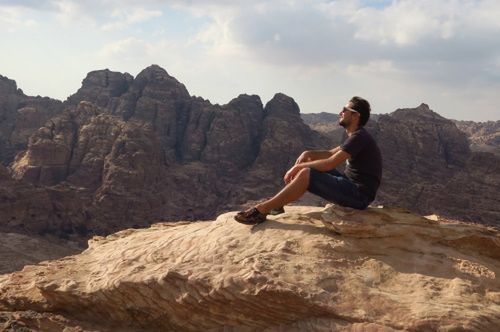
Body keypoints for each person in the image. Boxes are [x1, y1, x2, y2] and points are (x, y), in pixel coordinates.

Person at [235, 96, 382, 224]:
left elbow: (329, 163)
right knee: (310, 160)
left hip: (359, 196)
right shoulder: (357, 136)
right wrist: (308, 153)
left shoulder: (359, 137)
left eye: (345, 110)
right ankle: (277, 205)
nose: (340, 113)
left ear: (355, 115)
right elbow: (330, 153)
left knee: (306, 173)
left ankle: (262, 210)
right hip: (351, 187)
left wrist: (298, 167)